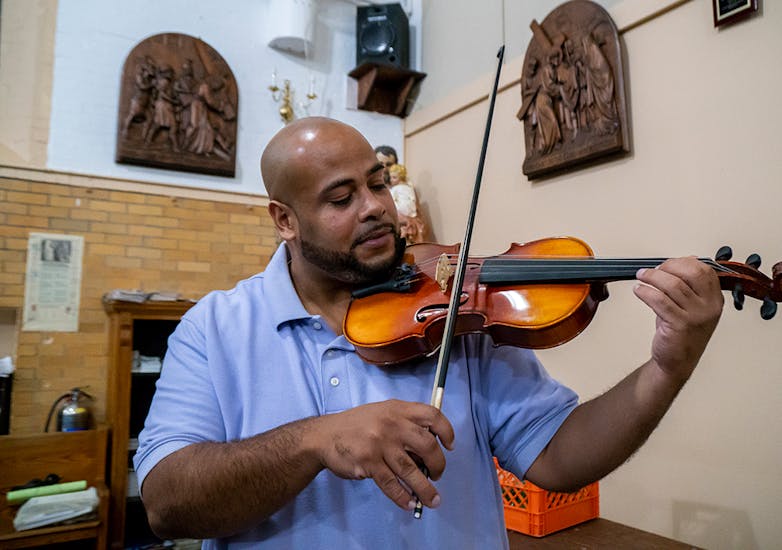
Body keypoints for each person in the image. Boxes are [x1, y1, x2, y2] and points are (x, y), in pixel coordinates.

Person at [134, 117, 724, 549]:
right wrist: (316, 441)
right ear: (284, 219)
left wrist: (668, 367)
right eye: (341, 197)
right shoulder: (213, 329)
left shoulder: (453, 309)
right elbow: (167, 504)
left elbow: (561, 456)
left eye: (377, 183)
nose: (374, 208)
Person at [388, 163, 425, 244]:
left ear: (401, 177)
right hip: (408, 215)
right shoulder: (409, 188)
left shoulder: (396, 189)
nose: (391, 180)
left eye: (394, 177)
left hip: (405, 214)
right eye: (391, 177)